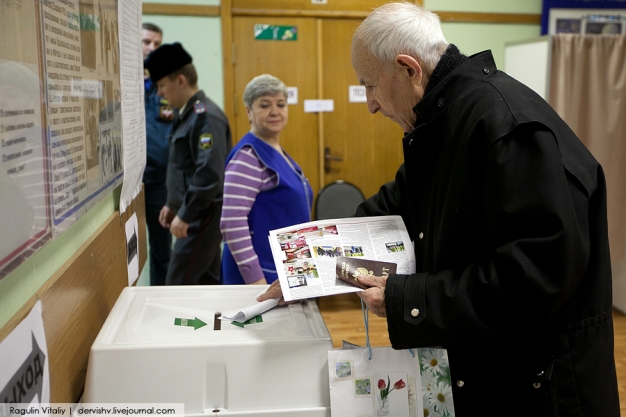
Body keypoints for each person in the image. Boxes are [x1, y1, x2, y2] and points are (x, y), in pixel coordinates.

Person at [259, 2, 620, 415]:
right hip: (485, 374)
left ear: (408, 69)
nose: (370, 105)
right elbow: (392, 208)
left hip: (542, 391)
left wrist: (407, 299)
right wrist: (307, 270)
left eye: (370, 85)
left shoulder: (505, 126)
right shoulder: (443, 122)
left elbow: (536, 275)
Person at [144, 42, 232, 285]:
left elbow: (209, 173)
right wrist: (173, 204)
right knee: (205, 284)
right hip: (194, 213)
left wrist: (185, 213)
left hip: (201, 216)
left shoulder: (206, 117)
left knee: (177, 286)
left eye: (162, 85)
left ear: (180, 80)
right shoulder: (187, 115)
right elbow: (183, 168)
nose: (159, 93)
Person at [220, 74, 313, 285]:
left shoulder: (277, 151)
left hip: (285, 270)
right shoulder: (248, 156)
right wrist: (255, 280)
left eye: (281, 104)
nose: (275, 111)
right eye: (264, 105)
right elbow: (232, 223)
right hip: (262, 276)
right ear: (248, 111)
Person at [141, 23, 173, 286]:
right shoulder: (121, 83)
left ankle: (159, 298)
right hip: (128, 186)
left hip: (160, 183)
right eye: (147, 42)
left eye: (157, 44)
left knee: (163, 251)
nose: (152, 48)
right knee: (124, 251)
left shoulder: (166, 85)